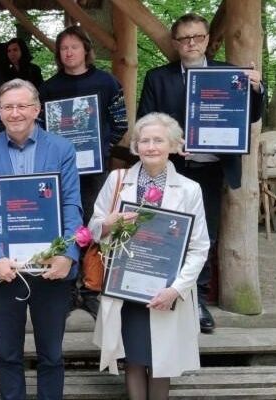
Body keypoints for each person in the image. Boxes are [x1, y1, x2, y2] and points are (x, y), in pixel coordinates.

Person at [137, 13, 264, 333]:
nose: (191, 43)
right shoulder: (157, 77)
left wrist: (257, 88)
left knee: (204, 236)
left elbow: (252, 116)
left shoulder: (230, 74)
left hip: (210, 169)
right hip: (171, 168)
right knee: (167, 232)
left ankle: (197, 301)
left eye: (197, 37)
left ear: (208, 40)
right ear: (176, 42)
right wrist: (172, 140)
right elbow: (147, 119)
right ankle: (163, 295)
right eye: (184, 38)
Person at [0, 79, 83, 400]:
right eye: (8, 107)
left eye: (22, 106)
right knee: (7, 354)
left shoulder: (61, 148)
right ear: (0, 112)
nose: (15, 113)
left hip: (52, 269)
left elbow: (72, 205)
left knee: (51, 355)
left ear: (37, 109)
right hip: (5, 269)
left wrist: (67, 255)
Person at [90, 112, 209, 399]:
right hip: (126, 286)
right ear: (136, 146)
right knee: (134, 358)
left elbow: (199, 246)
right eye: (144, 140)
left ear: (173, 145)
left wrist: (175, 289)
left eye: (158, 140)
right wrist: (110, 222)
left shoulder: (190, 190)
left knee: (161, 362)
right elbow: (94, 227)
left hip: (165, 290)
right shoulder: (117, 181)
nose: (151, 146)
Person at [39, 26, 129, 318]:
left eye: (74, 47)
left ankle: (91, 287)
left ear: (86, 50)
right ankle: (67, 288)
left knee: (95, 223)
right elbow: (40, 128)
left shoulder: (107, 83)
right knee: (65, 224)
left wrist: (102, 147)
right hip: (60, 172)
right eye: (64, 48)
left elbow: (120, 121)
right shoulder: (49, 88)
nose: (69, 52)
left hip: (95, 168)